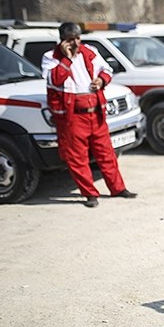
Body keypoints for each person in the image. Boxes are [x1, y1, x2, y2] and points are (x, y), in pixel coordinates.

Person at [41, 22, 136, 208]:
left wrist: (101, 81)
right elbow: (54, 80)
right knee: (78, 157)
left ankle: (118, 188)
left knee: (106, 153)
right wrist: (67, 59)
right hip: (73, 116)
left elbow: (106, 69)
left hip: (96, 111)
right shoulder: (51, 57)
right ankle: (89, 194)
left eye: (77, 38)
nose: (76, 43)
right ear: (62, 40)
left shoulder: (89, 51)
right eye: (70, 39)